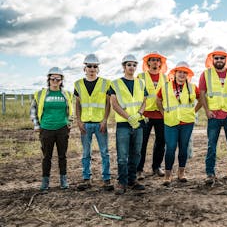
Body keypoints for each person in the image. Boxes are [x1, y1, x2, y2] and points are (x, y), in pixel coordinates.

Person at [199, 46, 227, 184]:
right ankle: (210, 174)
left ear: (226, 59)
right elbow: (202, 94)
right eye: (216, 58)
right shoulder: (206, 74)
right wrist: (206, 111)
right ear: (212, 59)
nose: (219, 60)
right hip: (213, 117)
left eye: (221, 58)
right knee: (211, 146)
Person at [156, 61, 202, 186]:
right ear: (175, 73)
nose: (182, 75)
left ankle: (181, 173)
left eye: (184, 72)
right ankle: (167, 175)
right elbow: (158, 100)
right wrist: (163, 113)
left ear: (187, 75)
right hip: (170, 122)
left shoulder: (192, 87)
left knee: (184, 147)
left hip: (187, 122)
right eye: (179, 72)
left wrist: (194, 111)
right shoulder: (165, 87)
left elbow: (202, 99)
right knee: (170, 148)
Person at [74, 54, 113, 191]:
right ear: (84, 68)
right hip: (85, 124)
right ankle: (86, 179)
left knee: (104, 152)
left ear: (98, 68)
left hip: (100, 124)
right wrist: (78, 121)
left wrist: (104, 120)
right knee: (86, 153)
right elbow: (77, 104)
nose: (92, 68)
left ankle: (106, 179)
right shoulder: (78, 84)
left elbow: (108, 103)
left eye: (95, 66)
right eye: (89, 66)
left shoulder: (105, 83)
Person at [30, 67, 73, 191]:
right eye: (52, 78)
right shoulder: (40, 94)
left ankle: (63, 181)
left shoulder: (67, 94)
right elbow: (33, 110)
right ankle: (45, 182)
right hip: (46, 129)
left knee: (62, 156)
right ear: (48, 79)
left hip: (62, 129)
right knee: (46, 156)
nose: (55, 81)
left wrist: (70, 122)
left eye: (58, 79)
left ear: (61, 80)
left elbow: (71, 110)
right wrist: (37, 125)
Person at [110, 54, 147, 195]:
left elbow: (144, 101)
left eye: (134, 65)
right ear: (123, 67)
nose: (131, 67)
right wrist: (128, 117)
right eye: (129, 64)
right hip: (123, 125)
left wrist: (139, 114)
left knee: (136, 153)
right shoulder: (115, 84)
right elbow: (114, 104)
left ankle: (132, 180)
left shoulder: (141, 83)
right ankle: (122, 182)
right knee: (122, 155)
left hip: (138, 123)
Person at [136, 51, 168, 180]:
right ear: (148, 62)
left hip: (161, 115)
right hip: (145, 115)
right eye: (152, 60)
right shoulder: (141, 77)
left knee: (161, 142)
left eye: (157, 60)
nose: (155, 62)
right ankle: (139, 169)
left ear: (161, 63)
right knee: (141, 143)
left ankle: (157, 167)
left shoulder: (166, 78)